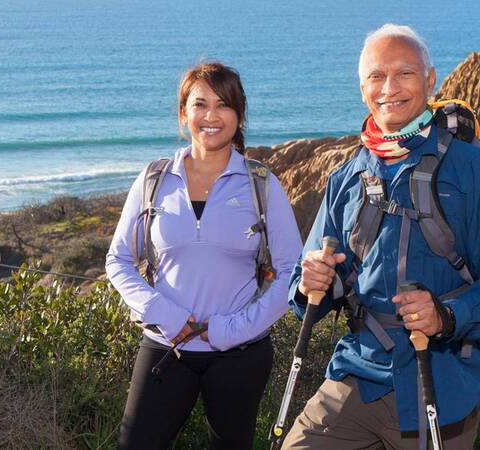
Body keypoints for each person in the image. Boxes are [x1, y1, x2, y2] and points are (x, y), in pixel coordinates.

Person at [282, 24, 480, 449]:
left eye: (404, 73)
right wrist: (309, 283)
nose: (389, 87)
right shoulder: (347, 177)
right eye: (376, 76)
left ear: (429, 80)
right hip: (359, 375)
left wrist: (447, 315)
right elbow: (311, 294)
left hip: (443, 384)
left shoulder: (470, 169)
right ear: (362, 87)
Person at [106, 61, 302, 449]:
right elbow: (118, 260)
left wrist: (236, 328)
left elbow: (290, 272)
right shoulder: (154, 179)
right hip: (166, 347)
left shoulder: (261, 183)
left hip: (241, 352)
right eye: (200, 104)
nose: (211, 116)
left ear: (239, 115)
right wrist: (165, 314)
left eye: (224, 104)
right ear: (183, 114)